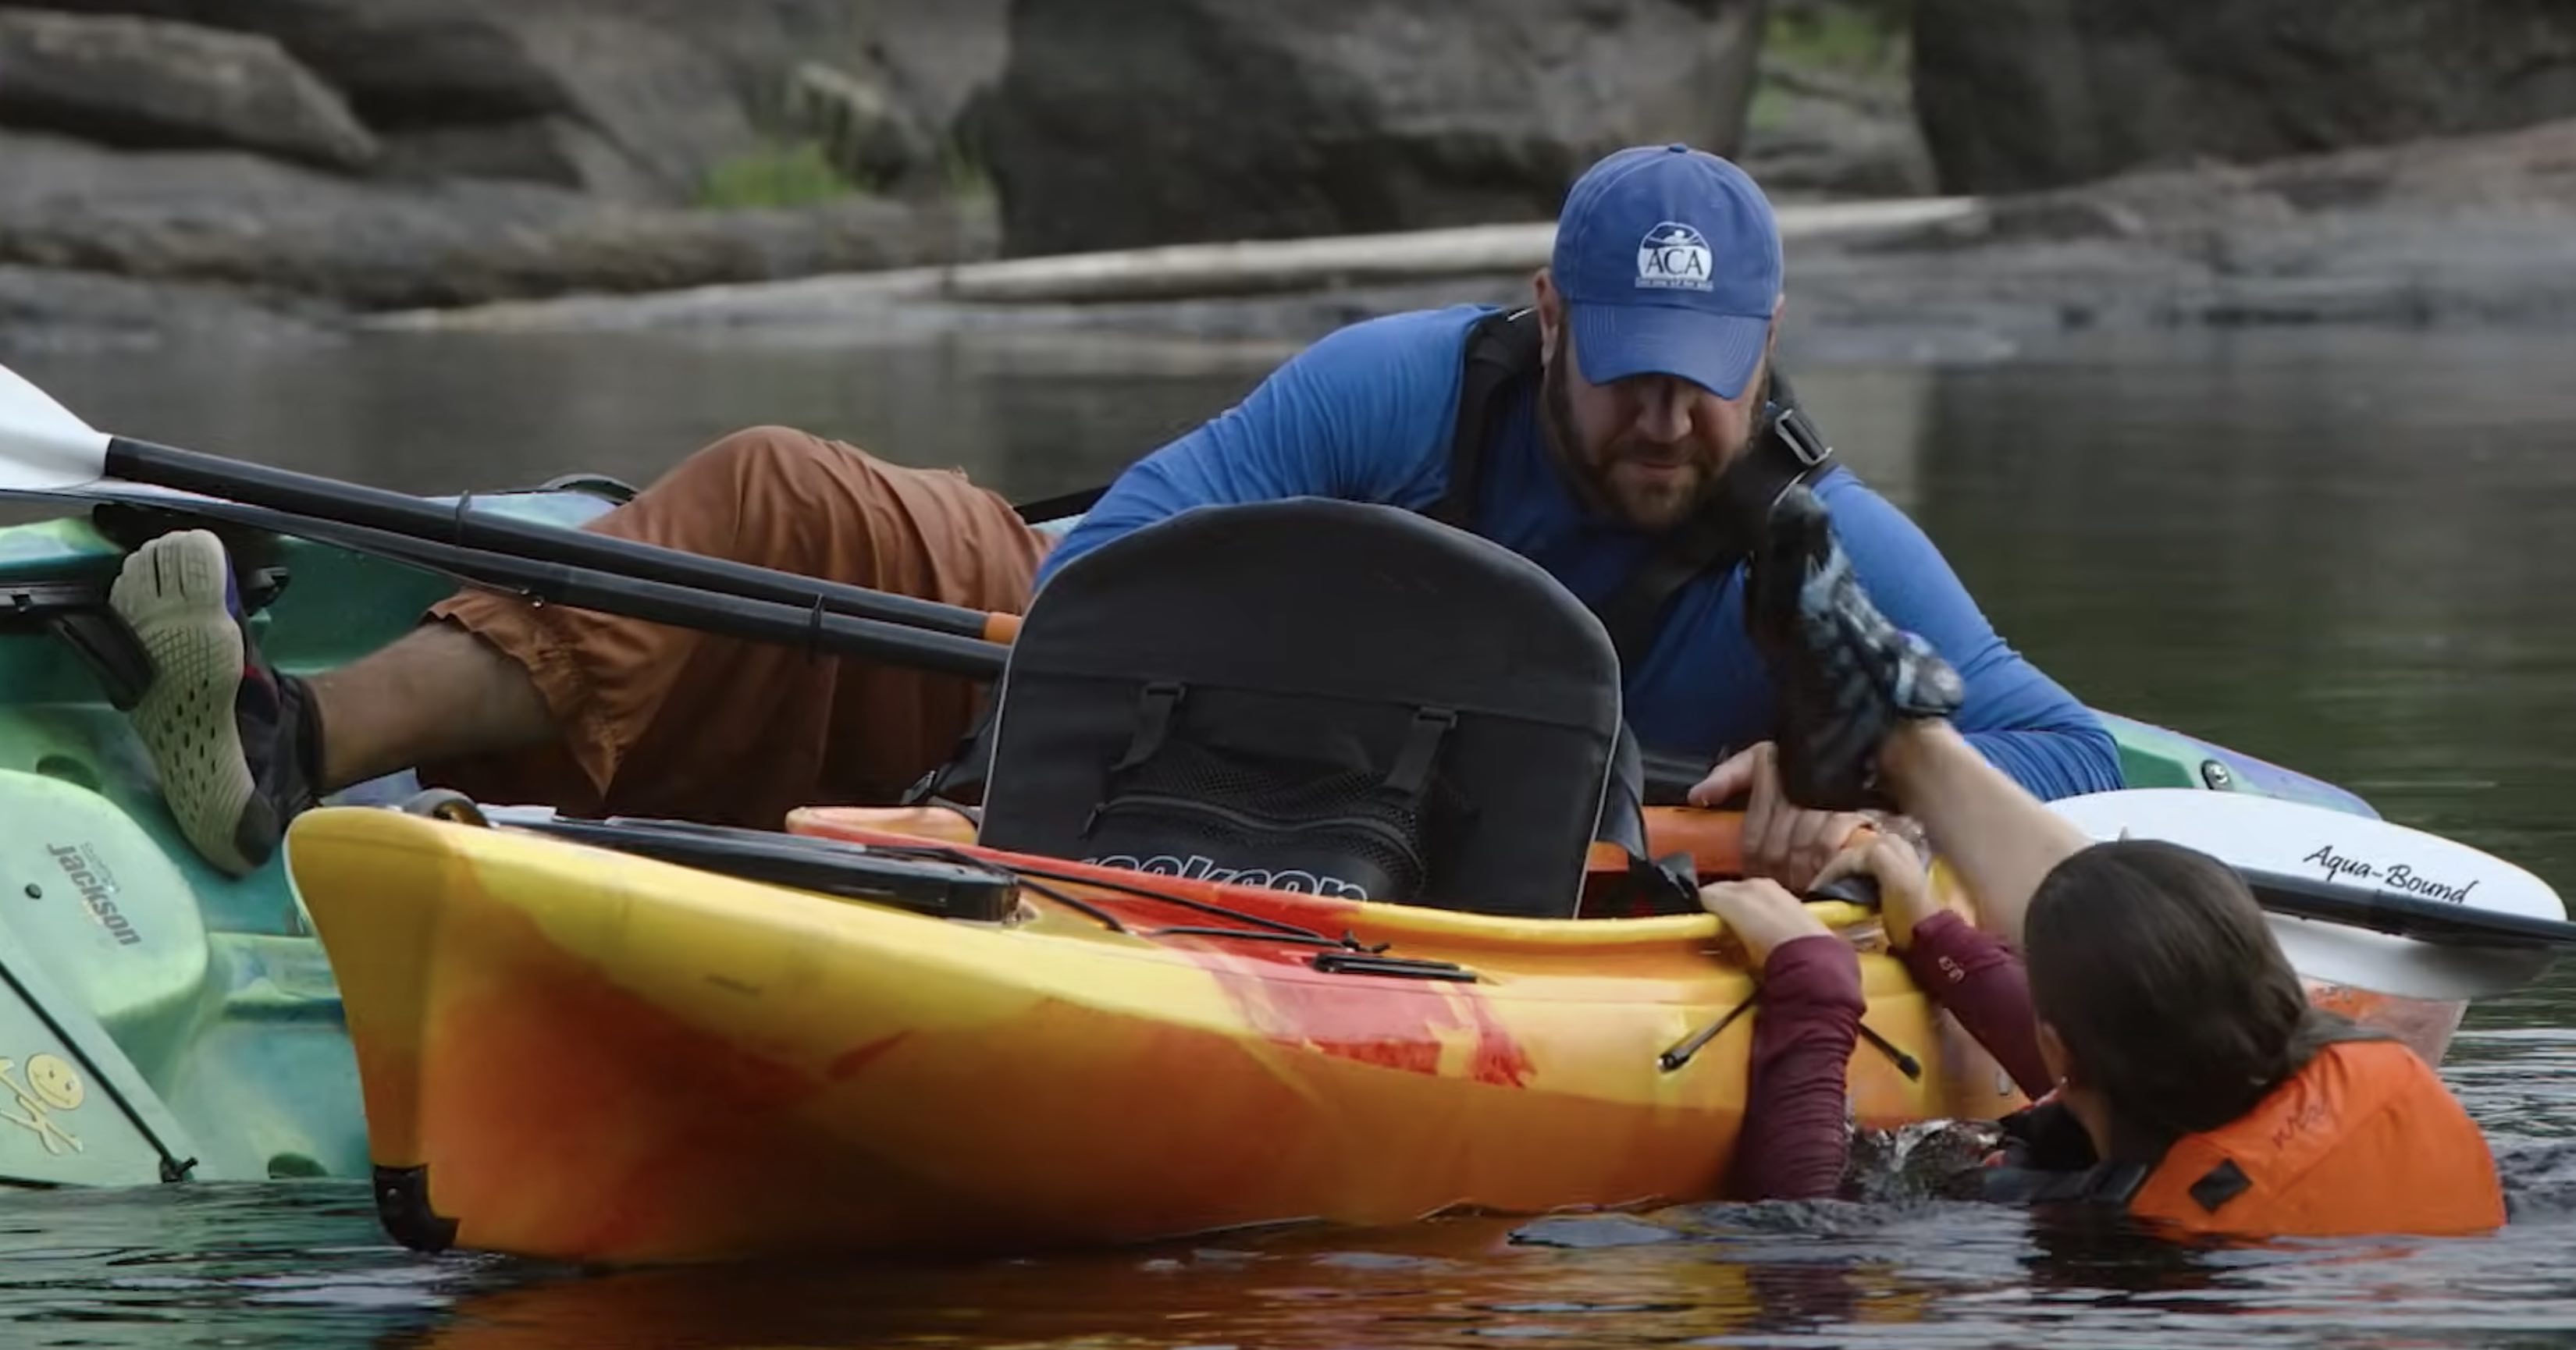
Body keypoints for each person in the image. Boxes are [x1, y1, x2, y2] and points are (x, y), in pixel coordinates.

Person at [104, 142, 2119, 881]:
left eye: (1707, 369)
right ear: (1545, 320)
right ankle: (292, 744)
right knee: (781, 495)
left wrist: (1860, 793)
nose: (1666, 412)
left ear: (1765, 356)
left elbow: (2069, 751)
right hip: (1125, 740)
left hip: (1463, 886)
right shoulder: (1400, 389)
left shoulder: (1813, 541)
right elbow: (1115, 557)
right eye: (1625, 361)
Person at [1700, 484, 2505, 1236]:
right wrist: (1943, 938)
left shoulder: (2142, 1239)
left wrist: (1813, 988)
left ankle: (1904, 741)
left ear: (2060, 1053)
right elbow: (2117, 1057)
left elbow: (1810, 1258)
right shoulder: (2364, 1075)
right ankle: (1903, 742)